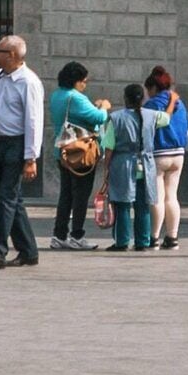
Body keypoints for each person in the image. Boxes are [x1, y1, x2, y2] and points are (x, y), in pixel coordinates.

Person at [0, 36, 43, 268]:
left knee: (6, 198)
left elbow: (33, 121)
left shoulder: (28, 82)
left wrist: (31, 158)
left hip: (18, 145)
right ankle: (29, 251)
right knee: (13, 199)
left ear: (13, 55)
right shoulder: (0, 77)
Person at [50, 61, 112, 251]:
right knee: (81, 195)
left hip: (63, 151)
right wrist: (103, 106)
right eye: (83, 81)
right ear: (76, 81)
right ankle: (77, 234)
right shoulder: (76, 98)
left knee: (66, 194)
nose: (85, 85)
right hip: (81, 153)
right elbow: (98, 118)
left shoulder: (56, 95)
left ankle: (59, 234)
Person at [102, 80, 159, 252]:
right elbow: (167, 118)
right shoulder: (153, 115)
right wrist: (171, 100)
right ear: (142, 98)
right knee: (143, 205)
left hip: (123, 165)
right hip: (146, 166)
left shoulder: (116, 118)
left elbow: (109, 147)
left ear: (126, 98)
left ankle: (122, 242)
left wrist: (106, 168)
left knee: (122, 204)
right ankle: (142, 241)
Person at [146, 67, 188, 250]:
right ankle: (172, 237)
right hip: (178, 153)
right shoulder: (181, 104)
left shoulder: (151, 105)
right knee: (172, 196)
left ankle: (153, 237)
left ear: (153, 88)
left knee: (157, 197)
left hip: (158, 153)